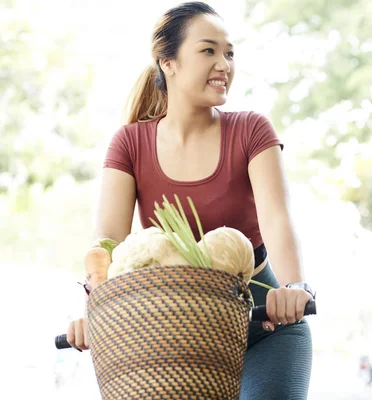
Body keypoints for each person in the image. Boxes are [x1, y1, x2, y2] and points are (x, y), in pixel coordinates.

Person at [65, 2, 314, 398]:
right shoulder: (130, 143)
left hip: (265, 325)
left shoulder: (251, 130)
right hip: (174, 334)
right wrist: (91, 313)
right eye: (208, 50)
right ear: (168, 62)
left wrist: (294, 287)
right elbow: (105, 248)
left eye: (229, 52)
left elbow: (276, 219)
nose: (224, 64)